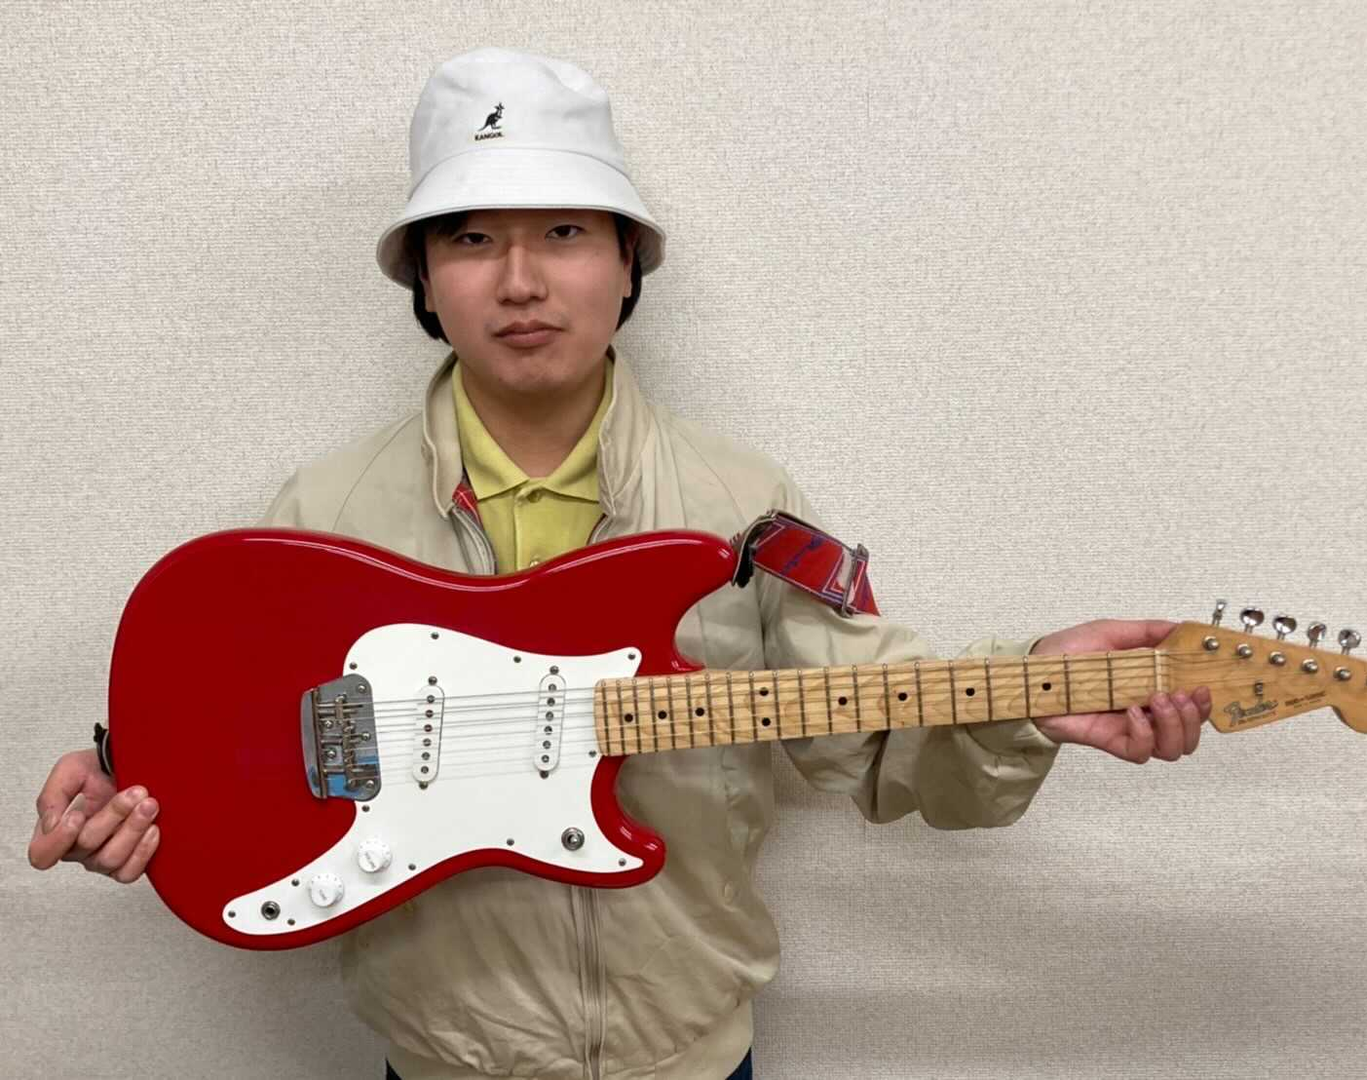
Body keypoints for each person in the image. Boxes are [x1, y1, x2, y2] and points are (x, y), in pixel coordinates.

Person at [28, 47, 1213, 1080]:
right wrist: (132, 780)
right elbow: (242, 730)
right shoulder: (322, 514)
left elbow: (873, 737)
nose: (521, 280)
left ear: (628, 263)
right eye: (471, 238)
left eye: (564, 232)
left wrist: (1033, 697)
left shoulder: (747, 513)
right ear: (425, 278)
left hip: (689, 1059)